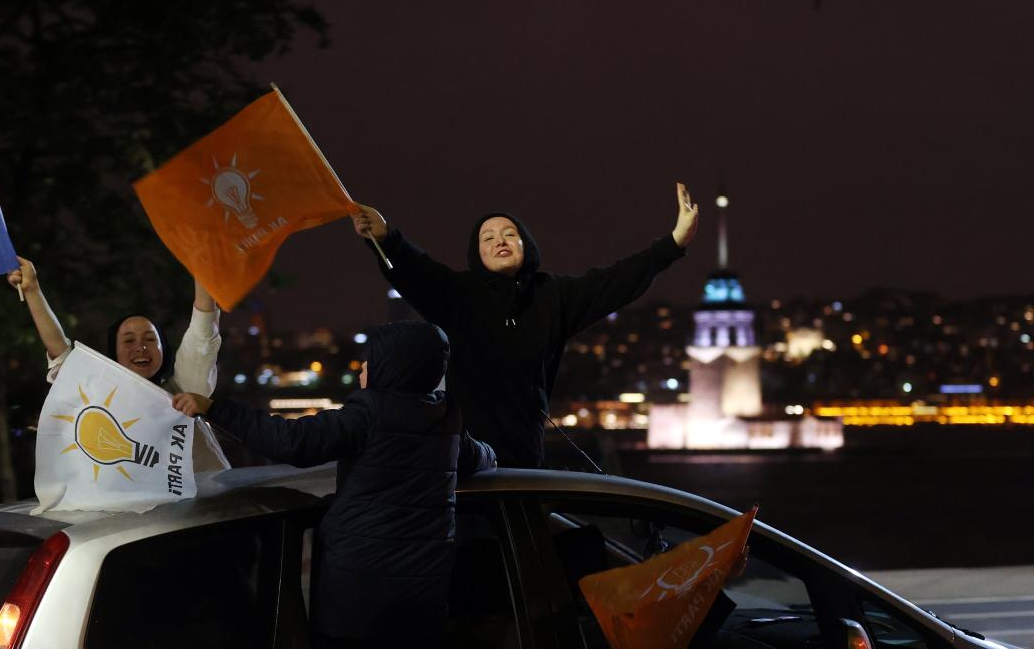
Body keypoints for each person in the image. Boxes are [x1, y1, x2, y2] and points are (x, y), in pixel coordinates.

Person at [173, 321, 496, 649]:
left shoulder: (369, 412)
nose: (362, 370)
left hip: (356, 600)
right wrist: (492, 458)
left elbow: (293, 441)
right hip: (422, 602)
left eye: (370, 362)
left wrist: (215, 409)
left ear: (391, 365)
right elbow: (476, 457)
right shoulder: (446, 415)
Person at [350, 183, 699, 468]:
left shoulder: (552, 296)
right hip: (465, 455)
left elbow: (615, 281)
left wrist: (674, 243)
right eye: (488, 238)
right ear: (477, 254)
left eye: (509, 234)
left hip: (525, 452)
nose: (499, 241)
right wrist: (386, 236)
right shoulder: (459, 295)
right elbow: (417, 271)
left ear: (525, 245)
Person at [7, 256, 221, 396]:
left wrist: (202, 258)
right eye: (128, 340)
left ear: (163, 350)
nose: (140, 347)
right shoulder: (98, 398)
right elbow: (61, 353)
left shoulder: (184, 395)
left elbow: (202, 337)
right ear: (114, 353)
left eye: (149, 339)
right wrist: (32, 290)